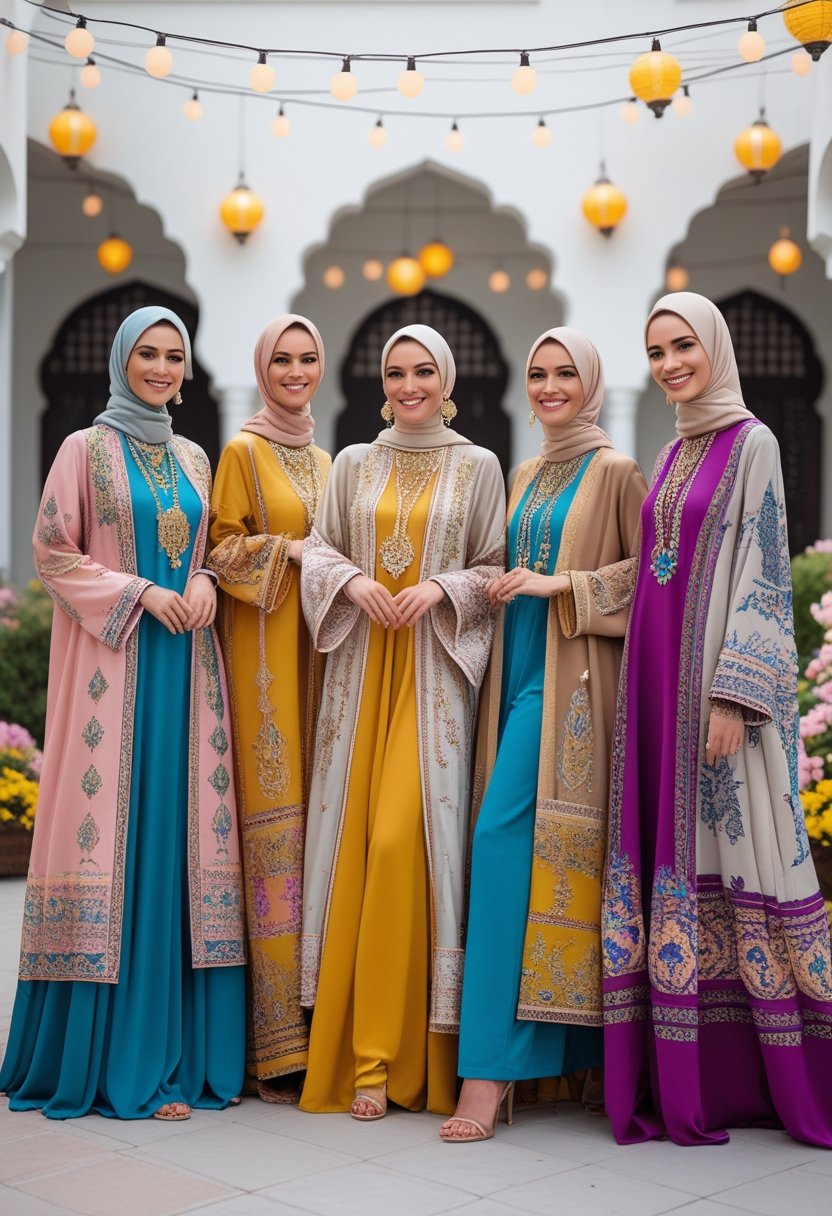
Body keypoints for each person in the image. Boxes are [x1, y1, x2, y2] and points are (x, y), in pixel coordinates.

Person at [0, 307, 245, 1120]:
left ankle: (175, 1053)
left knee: (176, 849)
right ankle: (114, 1063)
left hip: (186, 672)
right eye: (149, 353)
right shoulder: (84, 449)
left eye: (175, 356)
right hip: (114, 669)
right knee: (115, 843)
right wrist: (139, 591)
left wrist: (204, 581)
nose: (164, 368)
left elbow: (204, 550)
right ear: (122, 360)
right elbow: (52, 552)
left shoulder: (195, 457)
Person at [603, 291, 832, 1148]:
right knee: (671, 852)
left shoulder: (753, 443)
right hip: (654, 687)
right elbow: (655, 569)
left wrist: (737, 692)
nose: (669, 364)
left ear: (716, 350)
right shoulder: (668, 453)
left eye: (683, 347)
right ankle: (672, 1080)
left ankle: (748, 1079)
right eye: (657, 350)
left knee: (733, 852)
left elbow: (766, 567)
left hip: (714, 691)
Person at [440, 328, 647, 1142]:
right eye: (539, 373)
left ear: (592, 384)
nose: (552, 385)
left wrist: (566, 582)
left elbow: (655, 576)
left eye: (567, 373)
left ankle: (487, 1075)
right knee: (531, 860)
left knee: (504, 845)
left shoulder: (620, 471)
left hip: (573, 693)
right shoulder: (526, 472)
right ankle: (563, 1063)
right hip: (517, 675)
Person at [298, 323, 506, 1119]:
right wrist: (350, 583)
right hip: (360, 678)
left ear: (446, 378)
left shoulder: (478, 465)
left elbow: (494, 567)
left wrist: (444, 589)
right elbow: (315, 549)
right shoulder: (353, 462)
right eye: (395, 372)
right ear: (380, 381)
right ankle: (367, 1062)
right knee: (356, 845)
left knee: (403, 844)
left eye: (424, 371)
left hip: (431, 679)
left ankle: (412, 1051)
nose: (409, 385)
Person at [208, 315, 331, 1103]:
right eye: (281, 360)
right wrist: (286, 551)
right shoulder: (243, 452)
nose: (294, 371)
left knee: (318, 839)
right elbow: (218, 552)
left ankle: (319, 1032)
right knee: (272, 838)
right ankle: (270, 1047)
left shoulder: (327, 458)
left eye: (307, 358)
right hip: (264, 675)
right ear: (261, 369)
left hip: (320, 662)